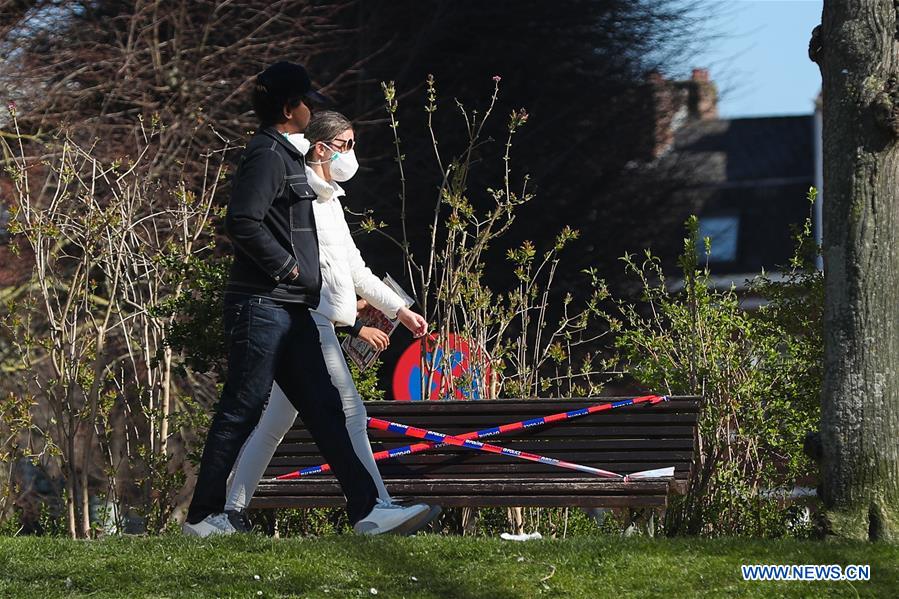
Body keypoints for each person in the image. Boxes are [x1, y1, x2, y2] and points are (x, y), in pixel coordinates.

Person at [182, 64, 431, 537]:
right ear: (287, 108)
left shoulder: (284, 157)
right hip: (262, 303)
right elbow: (242, 222)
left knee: (327, 410)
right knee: (243, 406)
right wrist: (290, 269)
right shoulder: (267, 154)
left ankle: (368, 511)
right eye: (305, 101)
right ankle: (204, 517)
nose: (310, 109)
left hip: (289, 308)